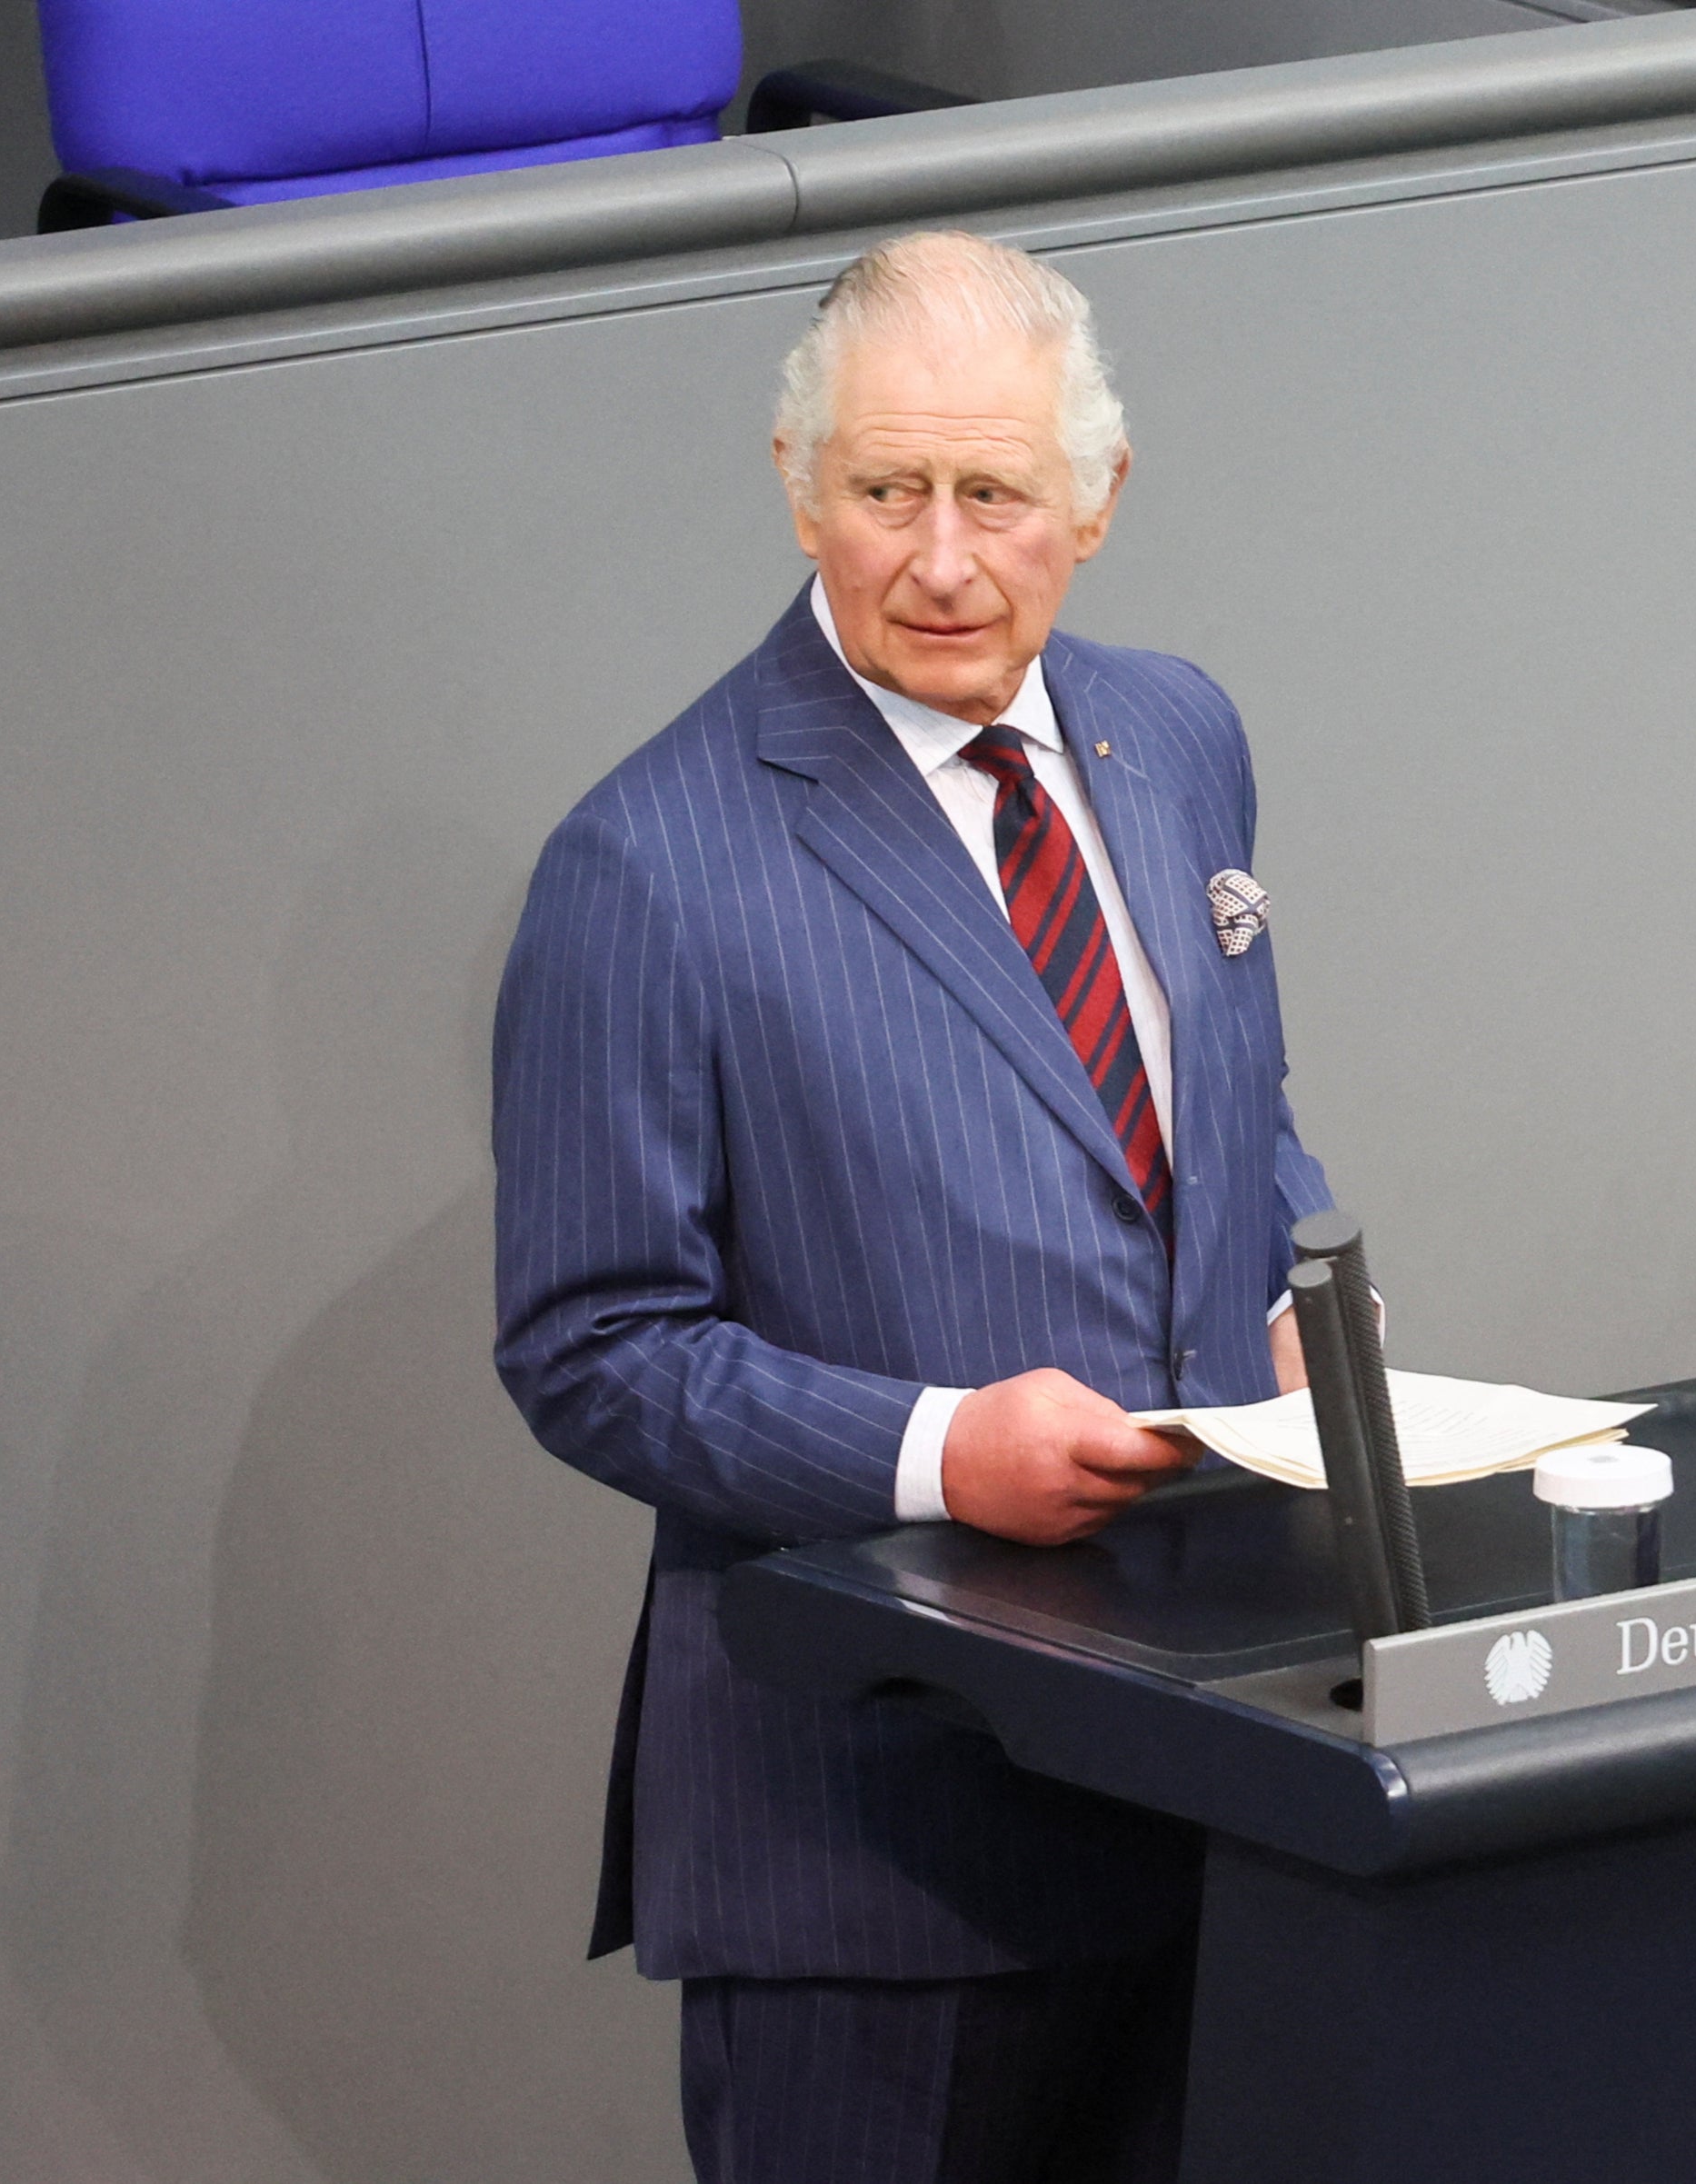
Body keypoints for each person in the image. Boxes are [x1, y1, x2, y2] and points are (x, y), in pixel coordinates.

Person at [491, 228, 1336, 2183]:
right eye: (887, 492)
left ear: (1097, 500)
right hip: (873, 1852)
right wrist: (943, 1449)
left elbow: (1236, 1102)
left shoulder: (1177, 731)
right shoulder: (649, 861)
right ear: (798, 482)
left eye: (995, 493)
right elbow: (591, 1345)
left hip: (1218, 1774)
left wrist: (1288, 1306)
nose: (941, 557)